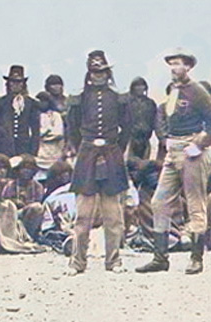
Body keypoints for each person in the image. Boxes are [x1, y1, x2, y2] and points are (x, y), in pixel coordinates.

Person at [136, 48, 211, 274]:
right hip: (172, 151)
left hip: (191, 149)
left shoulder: (198, 91)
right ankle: (160, 257)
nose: (175, 68)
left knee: (195, 203)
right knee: (159, 201)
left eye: (180, 64)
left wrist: (199, 144)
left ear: (189, 67)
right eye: (172, 64)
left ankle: (196, 258)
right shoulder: (174, 90)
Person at [65, 50, 132, 276]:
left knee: (113, 215)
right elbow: (72, 128)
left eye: (102, 71)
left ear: (108, 72)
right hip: (87, 155)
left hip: (112, 154)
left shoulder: (118, 97)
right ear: (89, 72)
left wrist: (115, 148)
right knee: (83, 215)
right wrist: (84, 147)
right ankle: (77, 263)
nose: (98, 75)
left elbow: (127, 127)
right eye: (94, 71)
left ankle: (113, 261)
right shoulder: (80, 98)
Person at [0, 65, 42, 155]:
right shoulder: (0, 103)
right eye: (13, 81)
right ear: (8, 83)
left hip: (24, 147)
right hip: (4, 147)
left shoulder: (31, 103)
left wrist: (33, 151)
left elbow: (35, 130)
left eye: (19, 82)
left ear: (23, 84)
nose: (16, 85)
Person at [2, 155, 45, 238]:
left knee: (37, 208)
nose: (26, 172)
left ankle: (29, 235)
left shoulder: (37, 187)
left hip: (28, 214)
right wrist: (15, 202)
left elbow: (37, 202)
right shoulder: (10, 185)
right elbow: (5, 202)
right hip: (13, 214)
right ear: (18, 170)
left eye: (30, 169)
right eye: (24, 169)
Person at [34, 75, 68, 172]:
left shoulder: (67, 102)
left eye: (58, 84)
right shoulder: (37, 112)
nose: (56, 87)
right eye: (53, 84)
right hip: (42, 149)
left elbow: (59, 132)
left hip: (62, 139)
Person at [125, 77, 160, 160]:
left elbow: (154, 120)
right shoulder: (126, 102)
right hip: (130, 138)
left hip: (145, 138)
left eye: (142, 85)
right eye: (137, 86)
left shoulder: (150, 103)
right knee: (128, 162)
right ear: (132, 87)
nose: (140, 88)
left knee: (144, 163)